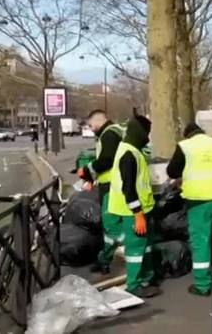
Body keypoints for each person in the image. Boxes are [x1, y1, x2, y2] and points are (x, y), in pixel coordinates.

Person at [167, 122, 212, 296]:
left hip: (198, 200)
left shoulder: (185, 146)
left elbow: (172, 171)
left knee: (201, 240)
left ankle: (203, 285)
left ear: (187, 135)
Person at [108, 115, 161, 298]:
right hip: (132, 212)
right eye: (147, 132)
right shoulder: (129, 154)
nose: (148, 136)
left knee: (143, 247)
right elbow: (128, 188)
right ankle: (134, 285)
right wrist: (138, 213)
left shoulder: (132, 151)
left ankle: (146, 278)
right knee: (135, 250)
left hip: (141, 209)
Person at [77, 110, 124, 274]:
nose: (90, 129)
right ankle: (106, 258)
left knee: (110, 224)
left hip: (112, 185)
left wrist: (87, 171)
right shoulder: (115, 131)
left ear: (97, 121)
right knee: (112, 224)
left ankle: (129, 246)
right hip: (116, 183)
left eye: (90, 125)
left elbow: (106, 160)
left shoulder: (108, 135)